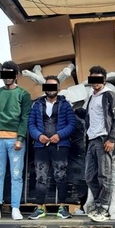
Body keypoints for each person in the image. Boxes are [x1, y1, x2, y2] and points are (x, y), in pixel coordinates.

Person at [0, 61, 32, 221]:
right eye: (4, 74)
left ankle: (15, 207)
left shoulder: (24, 94)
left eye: (10, 74)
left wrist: (21, 138)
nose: (7, 78)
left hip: (15, 140)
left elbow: (25, 118)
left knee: (16, 174)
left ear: (15, 75)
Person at [75, 66, 115, 222]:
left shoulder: (109, 95)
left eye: (98, 79)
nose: (95, 83)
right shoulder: (91, 97)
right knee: (89, 177)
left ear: (103, 80)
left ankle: (104, 207)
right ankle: (98, 203)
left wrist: (112, 139)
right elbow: (91, 117)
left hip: (104, 140)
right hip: (91, 140)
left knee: (104, 176)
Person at [27, 76, 77, 220]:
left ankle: (62, 208)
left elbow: (72, 123)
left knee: (60, 176)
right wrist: (39, 136)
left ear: (58, 89)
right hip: (40, 146)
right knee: (40, 176)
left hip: (60, 146)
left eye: (53, 87)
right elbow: (31, 125)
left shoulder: (65, 104)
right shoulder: (37, 105)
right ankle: (40, 208)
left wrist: (59, 135)